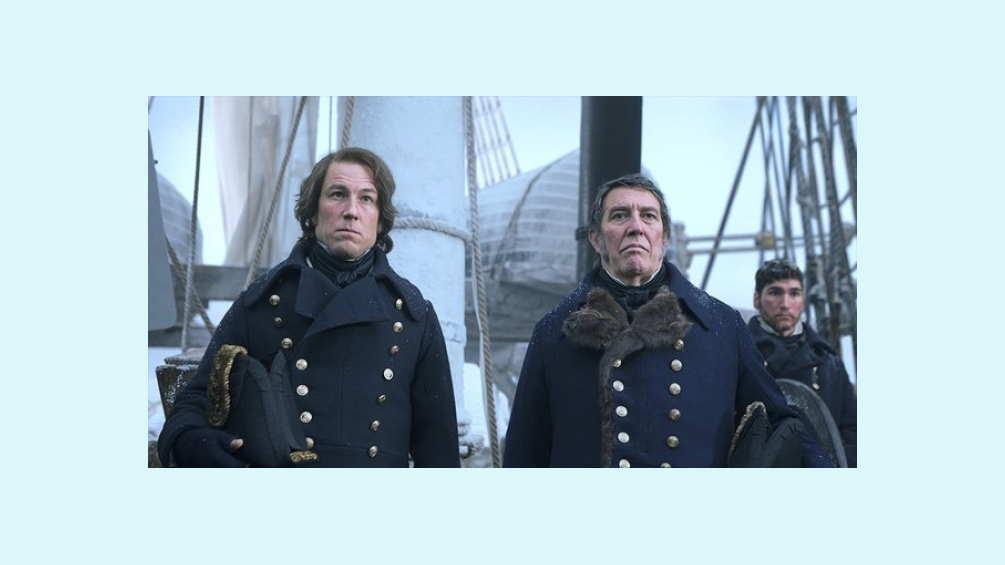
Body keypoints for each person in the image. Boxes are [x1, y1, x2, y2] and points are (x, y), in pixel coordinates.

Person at [158, 147, 460, 467]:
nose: (351, 211)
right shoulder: (263, 302)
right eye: (337, 194)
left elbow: (439, 449)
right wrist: (194, 441)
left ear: (380, 220)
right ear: (312, 211)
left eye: (366, 199)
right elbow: (195, 402)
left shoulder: (413, 316)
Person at [503, 174, 830, 468]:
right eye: (619, 216)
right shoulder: (552, 333)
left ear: (665, 238)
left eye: (648, 216)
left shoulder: (722, 326)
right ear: (596, 239)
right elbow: (525, 454)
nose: (636, 227)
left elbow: (780, 424)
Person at [749, 259, 857, 467]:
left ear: (803, 300)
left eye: (794, 294)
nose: (785, 304)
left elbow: (852, 430)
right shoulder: (739, 357)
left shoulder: (829, 364)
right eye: (775, 292)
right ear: (757, 300)